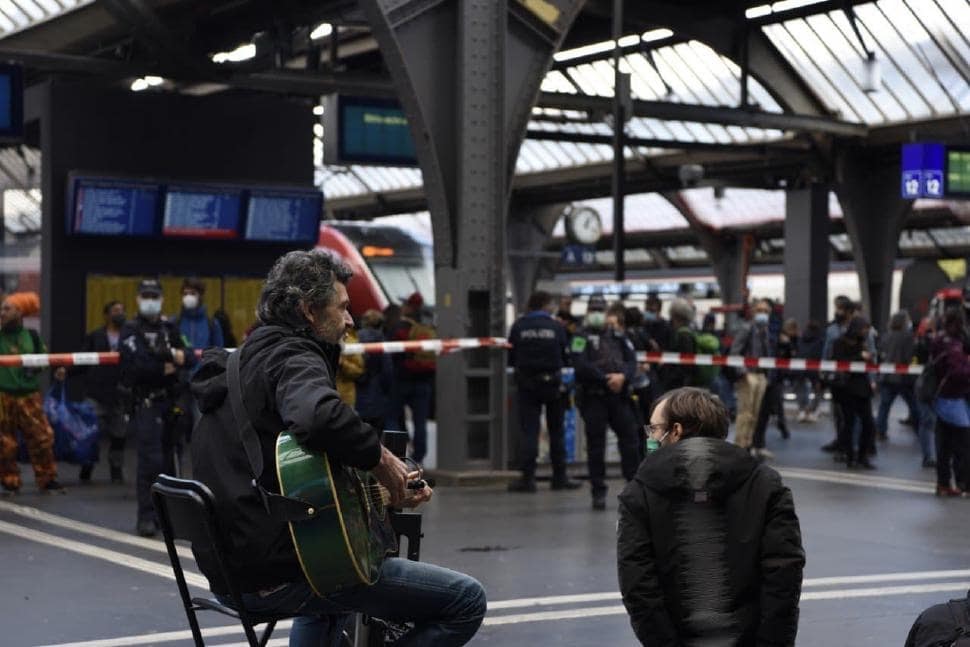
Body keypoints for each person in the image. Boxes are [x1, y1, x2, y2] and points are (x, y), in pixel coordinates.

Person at [190, 249, 486, 645]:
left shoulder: (240, 362)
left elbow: (292, 478)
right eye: (343, 307)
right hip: (278, 572)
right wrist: (383, 460)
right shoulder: (294, 356)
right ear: (309, 310)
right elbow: (317, 416)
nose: (350, 320)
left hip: (233, 567)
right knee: (466, 600)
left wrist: (384, 491)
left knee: (339, 579)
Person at [617, 387, 804, 646]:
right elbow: (784, 575)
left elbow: (638, 587)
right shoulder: (765, 484)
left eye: (655, 429)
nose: (651, 438)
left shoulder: (639, 493)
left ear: (677, 431)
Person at [120, 278, 194, 536]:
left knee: (170, 462)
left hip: (169, 401)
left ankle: (168, 517)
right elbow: (137, 366)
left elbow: (190, 355)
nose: (150, 300)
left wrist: (171, 358)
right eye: (146, 295)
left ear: (161, 299)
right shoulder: (130, 330)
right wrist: (168, 362)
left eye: (154, 296)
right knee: (149, 462)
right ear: (139, 299)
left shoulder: (169, 326)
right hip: (147, 403)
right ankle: (146, 516)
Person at [572, 297, 642, 510]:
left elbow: (632, 361)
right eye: (593, 309)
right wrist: (605, 379)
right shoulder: (580, 337)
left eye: (600, 309)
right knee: (596, 446)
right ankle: (598, 491)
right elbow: (579, 364)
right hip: (594, 396)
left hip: (618, 396)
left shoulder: (619, 337)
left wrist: (623, 377)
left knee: (630, 441)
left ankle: (633, 487)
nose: (596, 312)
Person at [507, 290, 579, 492]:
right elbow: (566, 356)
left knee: (530, 431)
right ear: (545, 304)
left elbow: (511, 356)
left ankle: (528, 479)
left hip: (527, 385)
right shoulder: (556, 326)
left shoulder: (519, 326)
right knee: (557, 431)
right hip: (553, 385)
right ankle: (559, 477)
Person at [0, 292, 65, 493]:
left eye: (7, 309)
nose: (2, 312)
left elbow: (44, 360)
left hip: (29, 397)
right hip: (3, 397)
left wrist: (36, 367)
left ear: (20, 312)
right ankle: (9, 480)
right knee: (4, 443)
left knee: (42, 438)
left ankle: (47, 479)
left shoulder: (32, 337)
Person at [76, 300, 129, 483]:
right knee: (91, 434)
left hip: (119, 395)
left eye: (121, 310)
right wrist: (66, 371)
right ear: (106, 315)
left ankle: (116, 469)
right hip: (96, 392)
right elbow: (83, 359)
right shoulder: (95, 336)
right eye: (115, 310)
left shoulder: (128, 336)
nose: (119, 313)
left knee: (119, 435)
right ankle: (87, 467)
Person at [385, 292, 436, 464]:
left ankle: (396, 456)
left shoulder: (400, 327)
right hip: (423, 381)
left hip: (402, 380)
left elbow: (391, 353)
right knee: (420, 421)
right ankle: (418, 458)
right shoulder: (427, 325)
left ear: (408, 306)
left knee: (392, 417)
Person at [929, 306, 970, 496]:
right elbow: (958, 371)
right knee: (963, 443)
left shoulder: (938, 339)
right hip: (954, 397)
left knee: (943, 443)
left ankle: (943, 483)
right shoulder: (954, 343)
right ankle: (964, 483)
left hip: (939, 395)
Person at [831, 316, 878, 469]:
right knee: (849, 423)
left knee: (868, 424)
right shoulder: (840, 342)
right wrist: (860, 357)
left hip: (862, 388)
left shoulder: (862, 343)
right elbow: (840, 361)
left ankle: (862, 456)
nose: (865, 332)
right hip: (847, 388)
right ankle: (851, 456)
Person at [729, 299, 775, 452]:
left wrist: (768, 375)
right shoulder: (746, 328)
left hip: (761, 375)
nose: (763, 314)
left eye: (766, 311)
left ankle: (747, 444)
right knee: (745, 413)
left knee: (755, 414)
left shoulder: (765, 331)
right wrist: (743, 372)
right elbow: (735, 352)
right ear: (753, 312)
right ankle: (739, 445)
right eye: (760, 311)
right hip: (749, 375)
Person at [876, 311, 919, 444]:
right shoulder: (908, 337)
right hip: (903, 378)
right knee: (914, 404)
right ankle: (919, 429)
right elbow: (909, 357)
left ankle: (880, 431)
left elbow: (880, 353)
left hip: (887, 376)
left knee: (884, 406)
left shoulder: (886, 336)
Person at [355, 309, 392, 431]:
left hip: (356, 391)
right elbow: (387, 370)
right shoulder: (381, 341)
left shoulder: (354, 339)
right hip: (377, 392)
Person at [657, 298, 697, 393]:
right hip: (680, 382)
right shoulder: (686, 331)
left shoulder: (683, 335)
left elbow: (686, 364)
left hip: (679, 384)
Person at [176, 277, 224, 351]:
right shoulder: (175, 322)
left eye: (192, 293)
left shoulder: (212, 324)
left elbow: (218, 353)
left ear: (200, 296)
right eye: (185, 294)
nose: (188, 297)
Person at [795, 319, 825, 423]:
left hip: (801, 367)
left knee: (801, 388)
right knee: (818, 390)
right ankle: (812, 410)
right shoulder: (820, 339)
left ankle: (802, 410)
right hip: (815, 368)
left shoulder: (802, 337)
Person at [335, 324, 365, 408]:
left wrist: (343, 363)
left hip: (344, 398)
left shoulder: (351, 342)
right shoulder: (318, 339)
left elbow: (358, 370)